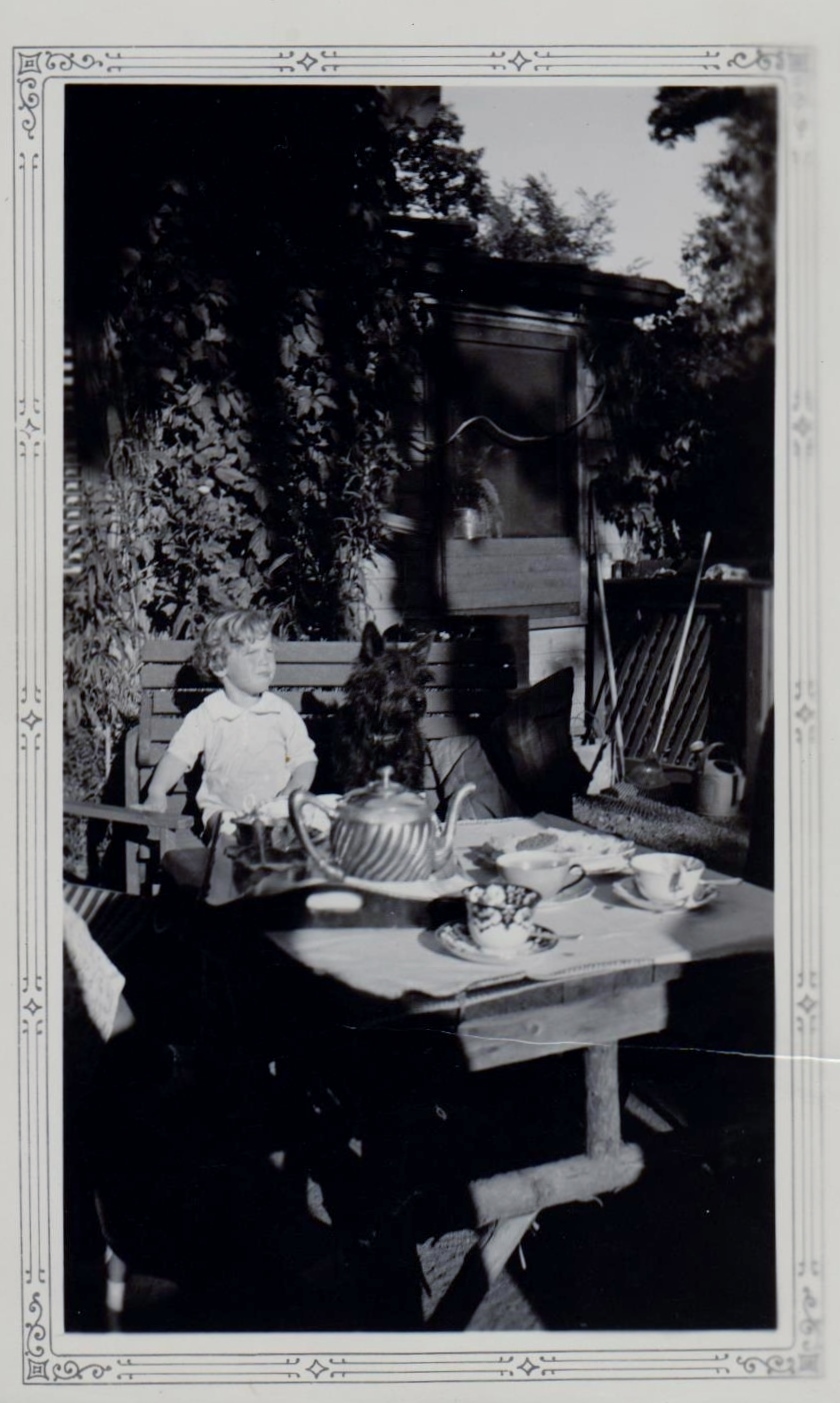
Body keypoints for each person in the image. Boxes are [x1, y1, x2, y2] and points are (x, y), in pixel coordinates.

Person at [142, 609, 317, 830]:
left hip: (275, 810)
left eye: (269, 651)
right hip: (225, 814)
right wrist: (156, 792)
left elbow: (304, 759)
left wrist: (293, 790)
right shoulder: (208, 714)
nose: (265, 660)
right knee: (226, 828)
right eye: (252, 653)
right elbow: (177, 756)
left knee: (315, 812)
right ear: (219, 665)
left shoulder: (281, 712)